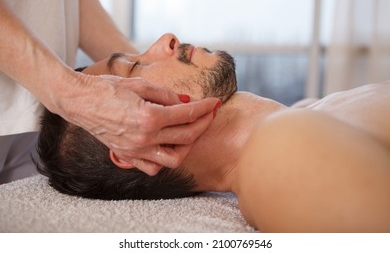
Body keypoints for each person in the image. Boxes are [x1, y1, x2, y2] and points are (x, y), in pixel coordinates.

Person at [37, 33, 390, 232]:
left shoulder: (299, 119)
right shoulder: (277, 156)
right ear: (131, 146)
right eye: (133, 66)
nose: (167, 40)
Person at [0, 0, 220, 184]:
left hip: (40, 118)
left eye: (134, 64)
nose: (168, 38)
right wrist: (70, 92)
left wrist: (155, 69)